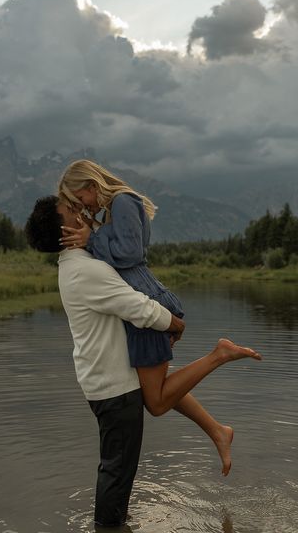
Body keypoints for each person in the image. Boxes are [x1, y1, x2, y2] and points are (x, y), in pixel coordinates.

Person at [25, 195, 262, 528]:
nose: (79, 209)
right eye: (71, 210)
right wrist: (175, 324)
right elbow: (138, 306)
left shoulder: (79, 264)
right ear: (65, 228)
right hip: (114, 388)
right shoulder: (86, 270)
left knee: (123, 460)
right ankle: (110, 526)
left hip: (108, 380)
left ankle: (216, 427)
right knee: (116, 473)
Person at [58, 159, 259, 477]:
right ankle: (219, 431)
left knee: (156, 402)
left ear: (92, 186)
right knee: (156, 389)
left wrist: (91, 240)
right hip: (141, 306)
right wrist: (92, 233)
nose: (83, 207)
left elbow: (130, 253)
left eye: (80, 199)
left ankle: (219, 355)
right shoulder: (113, 209)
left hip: (148, 306)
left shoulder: (123, 201)